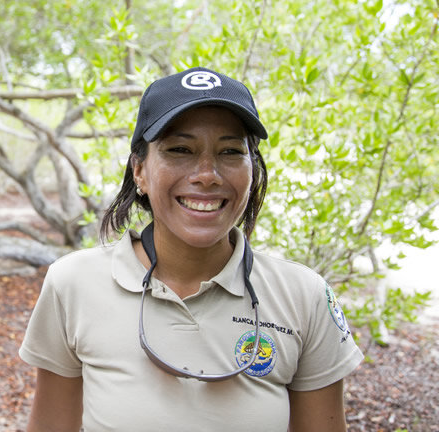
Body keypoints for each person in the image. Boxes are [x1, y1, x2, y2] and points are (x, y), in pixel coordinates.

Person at [19, 67, 364, 431]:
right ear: (139, 171)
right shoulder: (73, 283)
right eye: (180, 149)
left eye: (230, 151)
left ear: (252, 170)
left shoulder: (304, 296)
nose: (207, 174)